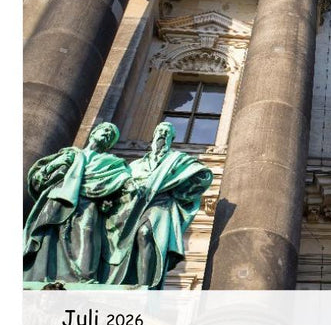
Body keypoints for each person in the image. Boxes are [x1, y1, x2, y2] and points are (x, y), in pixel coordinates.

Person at [104, 122, 212, 288]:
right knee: (124, 244)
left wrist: (172, 185)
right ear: (153, 136)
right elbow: (120, 188)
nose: (162, 134)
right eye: (160, 131)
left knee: (145, 232)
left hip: (161, 204)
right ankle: (130, 280)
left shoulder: (177, 160)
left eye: (167, 132)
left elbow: (203, 175)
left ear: (171, 139)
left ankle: (144, 284)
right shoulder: (135, 165)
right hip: (132, 207)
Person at [24, 122, 131, 284]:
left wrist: (109, 203)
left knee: (85, 234)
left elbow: (121, 190)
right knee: (48, 238)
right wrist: (54, 165)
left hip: (88, 204)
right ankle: (41, 277)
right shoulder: (69, 154)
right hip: (58, 198)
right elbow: (37, 181)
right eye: (105, 130)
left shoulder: (113, 163)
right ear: (93, 132)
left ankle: (84, 278)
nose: (108, 134)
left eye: (112, 135)